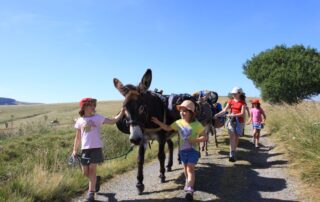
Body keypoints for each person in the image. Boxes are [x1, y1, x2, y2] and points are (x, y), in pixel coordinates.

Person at [151, 100, 207, 200]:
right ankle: (188, 181)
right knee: (185, 169)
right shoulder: (178, 123)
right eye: (180, 111)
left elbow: (205, 137)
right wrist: (158, 122)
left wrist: (195, 140)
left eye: (184, 111)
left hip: (193, 150)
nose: (182, 113)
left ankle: (190, 189)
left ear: (191, 113)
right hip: (182, 151)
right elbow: (168, 128)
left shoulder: (197, 125)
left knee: (190, 169)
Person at [72, 98, 124, 202]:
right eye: (91, 105)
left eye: (94, 105)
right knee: (85, 173)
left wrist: (122, 112)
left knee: (92, 170)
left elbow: (113, 121)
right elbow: (78, 138)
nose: (93, 107)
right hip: (85, 150)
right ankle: (95, 180)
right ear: (84, 107)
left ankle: (90, 194)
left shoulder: (98, 117)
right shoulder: (79, 121)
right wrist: (74, 150)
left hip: (96, 148)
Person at [214, 87, 246, 162]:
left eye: (235, 93)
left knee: (236, 137)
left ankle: (233, 151)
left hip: (239, 122)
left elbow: (242, 113)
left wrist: (233, 115)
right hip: (231, 121)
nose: (233, 95)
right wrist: (217, 114)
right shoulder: (230, 101)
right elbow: (224, 110)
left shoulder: (243, 103)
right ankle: (231, 153)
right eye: (233, 94)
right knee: (232, 136)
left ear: (239, 93)